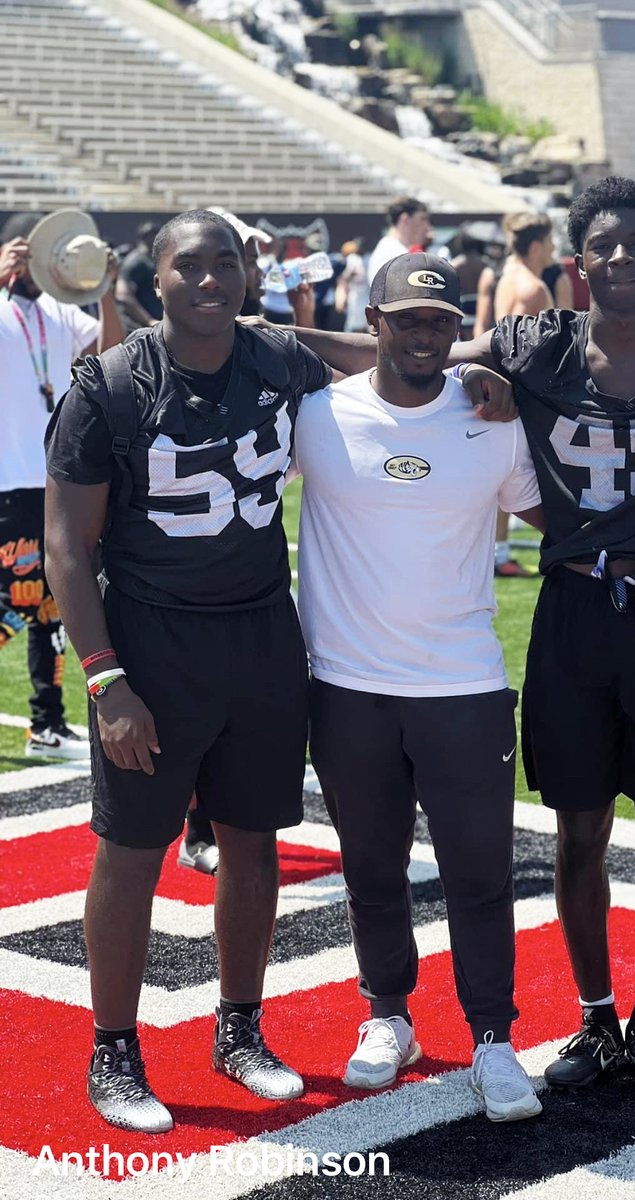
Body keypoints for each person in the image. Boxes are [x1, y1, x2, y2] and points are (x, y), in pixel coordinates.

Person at [282, 176, 635, 1092]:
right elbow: (401, 344)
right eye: (604, 247)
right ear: (574, 264)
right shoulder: (531, 347)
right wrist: (252, 338)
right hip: (577, 612)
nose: (621, 260)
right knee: (576, 834)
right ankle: (593, 1019)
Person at [43, 209, 331, 1134]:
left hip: (259, 638)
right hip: (152, 645)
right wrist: (104, 680)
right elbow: (65, 550)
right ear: (154, 279)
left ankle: (239, 1030)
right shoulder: (111, 386)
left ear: (248, 273)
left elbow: (388, 362)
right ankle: (114, 1049)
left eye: (227, 264)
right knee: (132, 851)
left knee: (253, 843)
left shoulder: (278, 357)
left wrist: (475, 372)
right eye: (189, 266)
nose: (210, 281)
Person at [296, 252, 545, 1123]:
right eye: (406, 319)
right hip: (347, 683)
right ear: (374, 323)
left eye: (439, 322)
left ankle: (493, 1038)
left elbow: (557, 514)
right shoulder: (316, 416)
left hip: (464, 683)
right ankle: (388, 1016)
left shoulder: (494, 418)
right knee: (372, 868)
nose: (424, 335)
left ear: (456, 329)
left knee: (481, 873)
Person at [0, 210, 124, 759]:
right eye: (24, 252)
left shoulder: (58, 309)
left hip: (51, 478)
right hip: (7, 478)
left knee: (54, 608)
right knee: (15, 601)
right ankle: (45, 721)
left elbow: (110, 355)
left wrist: (105, 292)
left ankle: (46, 723)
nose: (33, 265)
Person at [490, 212, 559, 579]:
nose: (553, 248)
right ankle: (501, 552)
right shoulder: (534, 287)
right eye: (549, 242)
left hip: (503, 383)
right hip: (524, 391)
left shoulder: (507, 277)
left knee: (502, 473)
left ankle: (498, 550)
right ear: (536, 246)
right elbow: (545, 349)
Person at [367, 196, 432, 283]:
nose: (427, 227)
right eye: (422, 219)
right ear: (405, 219)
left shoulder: (393, 250)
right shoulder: (394, 254)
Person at [115, 222, 162, 330]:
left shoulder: (155, 260)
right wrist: (149, 320)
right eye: (149, 236)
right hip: (142, 329)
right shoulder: (135, 262)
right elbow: (123, 295)